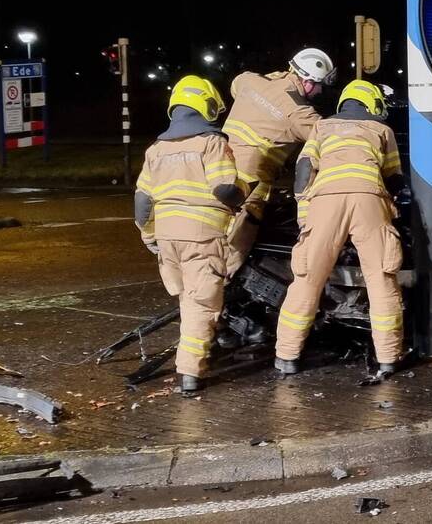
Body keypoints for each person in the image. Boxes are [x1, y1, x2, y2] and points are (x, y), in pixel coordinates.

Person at [274, 80, 406, 376]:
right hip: (368, 199)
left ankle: (286, 356)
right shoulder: (382, 130)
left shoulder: (322, 128)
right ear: (372, 104)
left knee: (307, 280)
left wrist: (304, 215)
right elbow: (395, 178)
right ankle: (388, 358)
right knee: (381, 280)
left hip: (325, 200)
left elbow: (304, 170)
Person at [134, 76, 248, 393]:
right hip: (202, 238)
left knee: (188, 301)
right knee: (202, 305)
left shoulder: (156, 150)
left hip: (168, 240)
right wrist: (245, 192)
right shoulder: (211, 143)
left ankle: (196, 358)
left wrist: (151, 238)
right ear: (206, 107)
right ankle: (189, 374)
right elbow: (225, 188)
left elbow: (142, 202)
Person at [222, 48, 335, 278]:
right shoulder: (299, 113)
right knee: (233, 247)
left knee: (210, 231)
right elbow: (330, 138)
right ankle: (218, 294)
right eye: (320, 85)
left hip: (215, 168)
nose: (320, 91)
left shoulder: (249, 81)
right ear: (308, 81)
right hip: (249, 185)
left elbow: (236, 86)